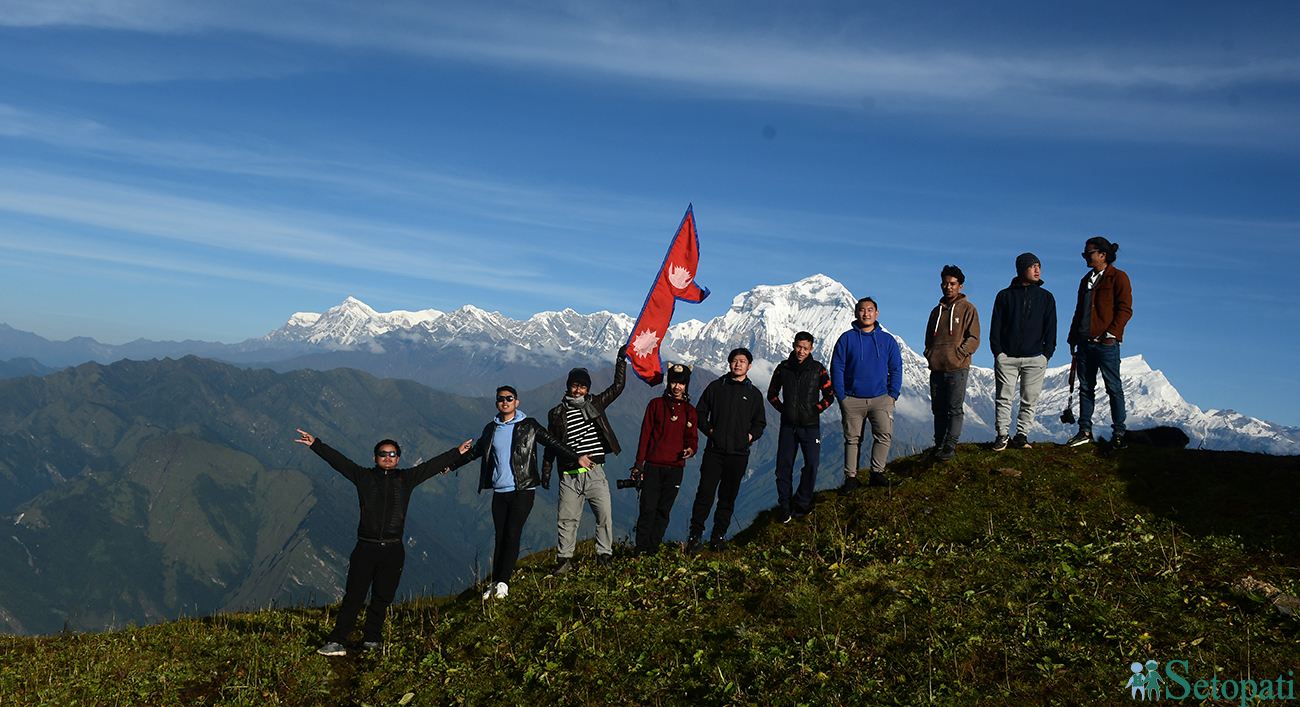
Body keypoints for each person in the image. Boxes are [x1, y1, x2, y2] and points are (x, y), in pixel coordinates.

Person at [294, 429, 471, 656]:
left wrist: (456, 452)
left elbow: (431, 466)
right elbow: (338, 461)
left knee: (382, 598)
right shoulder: (363, 476)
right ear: (375, 457)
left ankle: (372, 640)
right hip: (365, 547)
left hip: (393, 549)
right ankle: (337, 641)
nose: (388, 457)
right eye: (383, 453)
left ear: (398, 458)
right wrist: (315, 444)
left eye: (393, 454)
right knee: (354, 596)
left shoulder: (406, 478)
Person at [448, 386, 592, 600]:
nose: (505, 402)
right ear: (496, 402)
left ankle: (504, 583)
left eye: (509, 398)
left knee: (512, 535)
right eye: (501, 399)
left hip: (523, 490)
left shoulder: (529, 426)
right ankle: (496, 582)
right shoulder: (491, 429)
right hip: (499, 492)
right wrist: (451, 465)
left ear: (517, 402)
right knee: (500, 538)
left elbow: (553, 442)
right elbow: (477, 452)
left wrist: (576, 457)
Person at [543, 349, 628, 575]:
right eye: (575, 385)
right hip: (570, 475)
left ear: (588, 389)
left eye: (582, 386)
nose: (578, 390)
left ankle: (604, 556)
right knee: (566, 519)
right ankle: (564, 560)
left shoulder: (596, 404)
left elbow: (617, 388)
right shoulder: (557, 413)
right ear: (568, 387)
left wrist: (621, 361)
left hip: (595, 473)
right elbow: (551, 444)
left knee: (604, 517)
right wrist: (546, 471)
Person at [686, 347, 766, 554]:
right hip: (715, 451)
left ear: (749, 366)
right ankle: (695, 536)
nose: (738, 364)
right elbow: (699, 414)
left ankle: (718, 537)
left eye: (742, 361)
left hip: (739, 455)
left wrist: (748, 437)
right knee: (705, 494)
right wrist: (712, 432)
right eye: (734, 360)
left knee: (728, 497)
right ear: (729, 363)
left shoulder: (754, 394)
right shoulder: (715, 387)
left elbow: (760, 423)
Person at [1066, 237, 1133, 448]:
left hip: (1106, 345)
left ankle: (1119, 434)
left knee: (1113, 388)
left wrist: (1111, 334)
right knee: (1086, 388)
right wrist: (1073, 337)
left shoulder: (1118, 278)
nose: (1085, 257)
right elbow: (1079, 311)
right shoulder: (1085, 280)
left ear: (1102, 254)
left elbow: (1125, 309)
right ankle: (1084, 431)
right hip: (1085, 343)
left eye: (1088, 253)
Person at [831, 297, 902, 491]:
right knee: (852, 439)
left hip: (882, 398)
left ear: (876, 314)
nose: (866, 313)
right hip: (852, 398)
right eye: (862, 310)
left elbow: (896, 368)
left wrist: (892, 394)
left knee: (883, 435)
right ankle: (851, 478)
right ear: (856, 313)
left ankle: (877, 473)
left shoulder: (887, 340)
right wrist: (841, 396)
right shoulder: (846, 339)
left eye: (870, 310)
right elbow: (837, 368)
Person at [988, 253, 1057, 451]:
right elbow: (996, 327)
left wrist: (1046, 354)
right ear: (1021, 269)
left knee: (1030, 399)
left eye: (1039, 266)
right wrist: (998, 353)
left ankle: (1021, 435)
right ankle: (1002, 435)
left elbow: (1050, 328)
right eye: (1033, 266)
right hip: (1007, 357)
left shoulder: (1046, 297)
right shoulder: (1004, 296)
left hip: (1036, 357)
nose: (1037, 270)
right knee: (1003, 397)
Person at [766, 332, 834, 521]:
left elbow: (830, 395)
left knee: (812, 464)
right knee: (783, 467)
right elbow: (771, 394)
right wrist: (784, 410)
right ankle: (785, 506)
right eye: (798, 347)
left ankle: (803, 502)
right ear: (793, 345)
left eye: (805, 348)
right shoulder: (783, 368)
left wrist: (816, 410)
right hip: (788, 426)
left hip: (811, 426)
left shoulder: (818, 369)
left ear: (811, 349)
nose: (801, 351)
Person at [631, 363, 698, 556]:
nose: (677, 387)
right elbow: (645, 436)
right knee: (647, 510)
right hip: (653, 465)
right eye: (674, 382)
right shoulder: (655, 405)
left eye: (682, 383)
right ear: (669, 382)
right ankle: (641, 550)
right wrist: (639, 465)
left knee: (663, 511)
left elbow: (692, 437)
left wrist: (691, 449)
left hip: (676, 468)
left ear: (686, 385)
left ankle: (653, 550)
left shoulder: (690, 411)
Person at [922, 266, 980, 461]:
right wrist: (930, 355)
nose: (948, 287)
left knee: (954, 408)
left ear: (960, 286)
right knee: (938, 409)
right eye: (945, 283)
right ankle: (939, 444)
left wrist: (959, 354)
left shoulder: (968, 309)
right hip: (937, 368)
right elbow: (928, 338)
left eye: (952, 284)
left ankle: (950, 446)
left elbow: (974, 337)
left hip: (957, 368)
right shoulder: (934, 312)